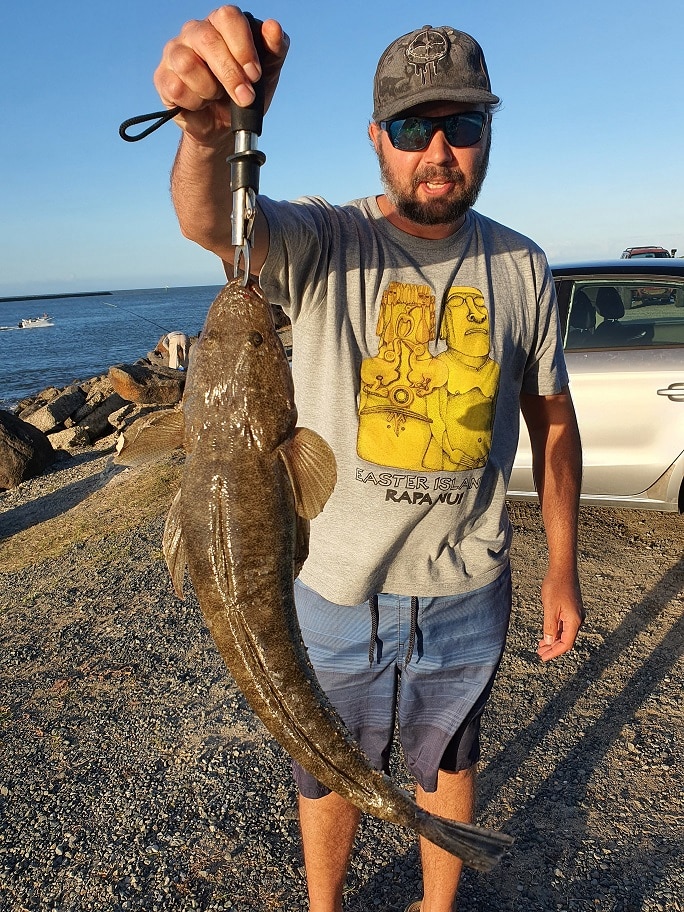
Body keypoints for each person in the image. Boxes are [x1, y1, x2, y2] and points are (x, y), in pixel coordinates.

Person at [154, 9, 585, 912]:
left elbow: (553, 421)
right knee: (323, 769)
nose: (438, 148)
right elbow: (216, 225)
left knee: (449, 757)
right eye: (410, 126)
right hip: (334, 592)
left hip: (467, 583)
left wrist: (562, 567)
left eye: (461, 124)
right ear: (376, 140)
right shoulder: (324, 242)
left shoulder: (524, 266)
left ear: (488, 133)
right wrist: (206, 133)